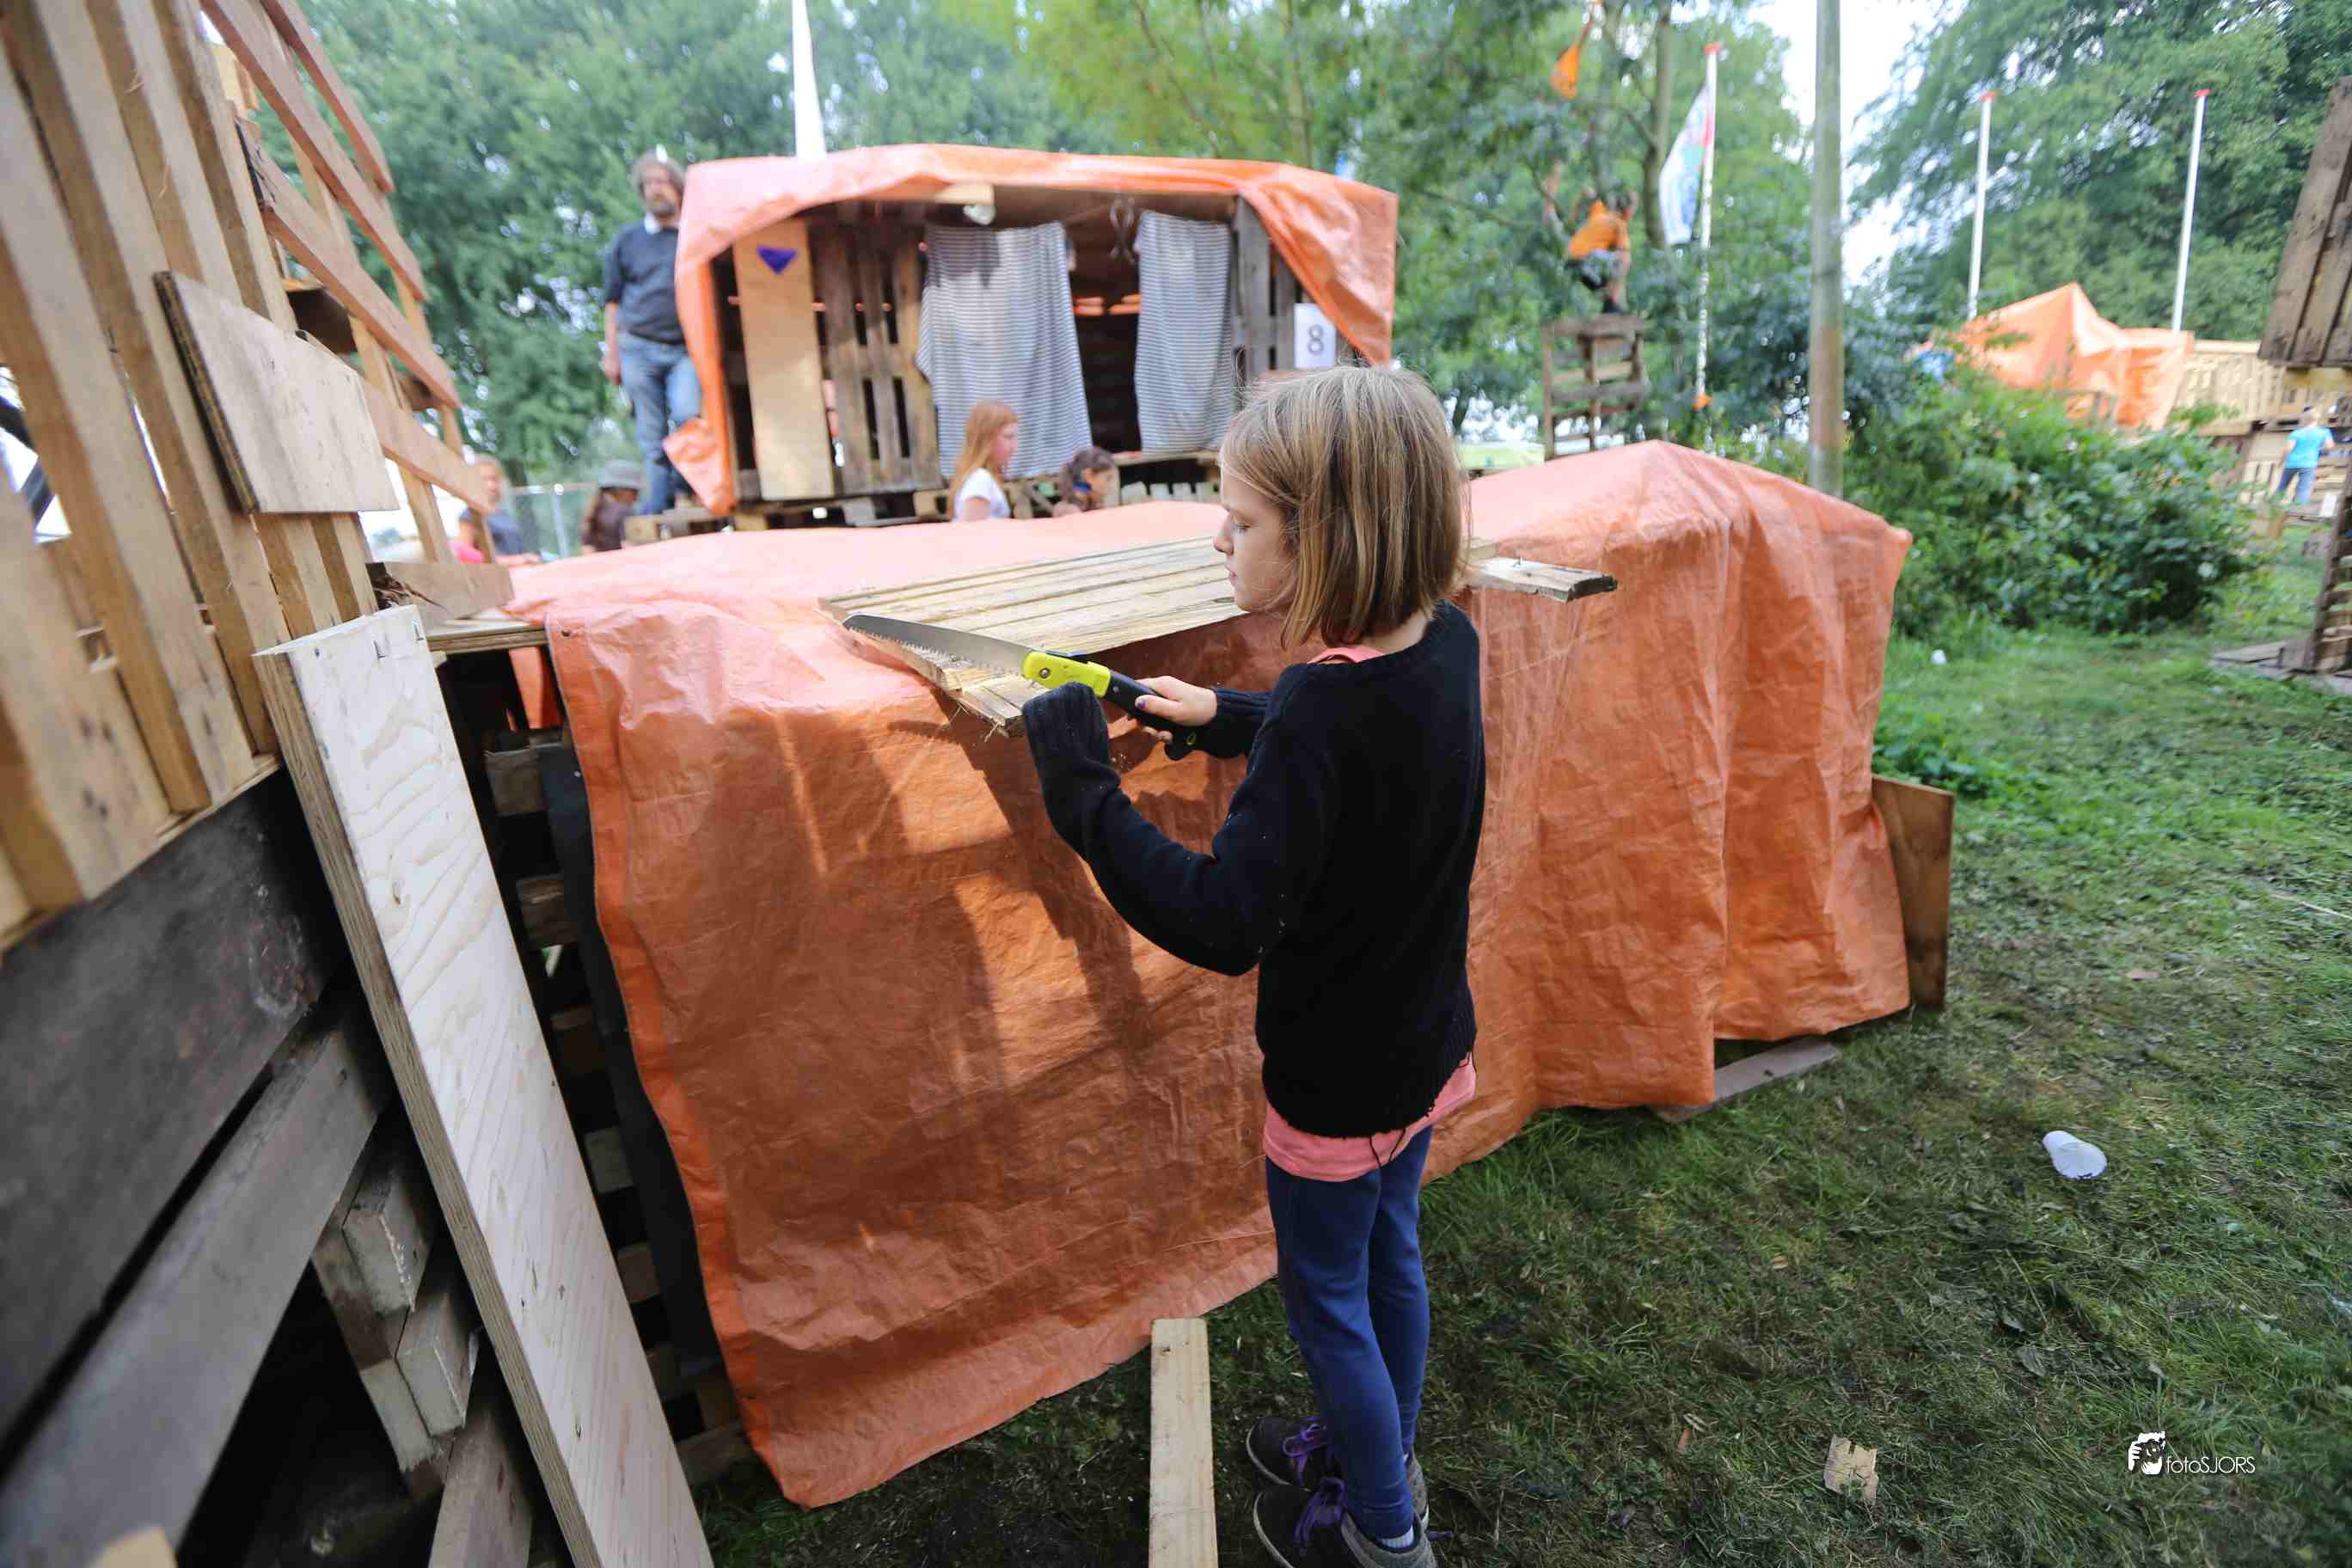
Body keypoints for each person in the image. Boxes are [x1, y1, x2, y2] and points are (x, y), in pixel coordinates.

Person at [1020, 367, 1481, 1568]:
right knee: (1390, 1255)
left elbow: (1225, 922)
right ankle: (1381, 1455)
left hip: (1335, 1086)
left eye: (1240, 521)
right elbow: (1357, 742)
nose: (1218, 539)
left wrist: (1084, 796)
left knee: (1329, 1299)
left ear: (1323, 536)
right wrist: (1226, 714)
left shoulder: (1323, 710)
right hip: (1426, 1043)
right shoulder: (1448, 641)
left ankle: (1382, 1533)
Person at [602, 151, 699, 517]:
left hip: (685, 349)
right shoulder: (627, 240)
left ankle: (688, 488)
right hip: (637, 348)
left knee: (688, 415)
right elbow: (612, 302)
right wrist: (612, 354)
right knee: (650, 433)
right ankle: (660, 502)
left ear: (678, 188)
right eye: (649, 183)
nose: (656, 189)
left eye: (663, 182)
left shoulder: (693, 236)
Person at [1544, 168, 1635, 313]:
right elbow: (1623, 254)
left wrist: (1573, 216)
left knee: (1609, 275)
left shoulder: (1599, 211)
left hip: (1570, 258)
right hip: (1585, 260)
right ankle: (1611, 304)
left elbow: (1587, 191)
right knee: (1625, 259)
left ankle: (1609, 302)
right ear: (1628, 211)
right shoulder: (1619, 225)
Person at [949, 400, 1020, 520]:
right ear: (986, 439)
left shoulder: (980, 477)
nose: (1015, 446)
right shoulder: (980, 479)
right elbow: (972, 529)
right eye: (1008, 437)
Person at [458, 458, 538, 564]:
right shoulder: (470, 515)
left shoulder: (504, 515)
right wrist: (514, 561)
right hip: (500, 572)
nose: (492, 485)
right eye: (484, 480)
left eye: (494, 479)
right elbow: (464, 556)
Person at [581, 459, 644, 553]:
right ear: (620, 489)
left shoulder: (591, 513)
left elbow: (588, 551)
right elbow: (630, 548)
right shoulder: (624, 512)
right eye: (635, 491)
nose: (636, 498)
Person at [2278, 407, 2334, 506]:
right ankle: (2298, 510)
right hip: (2309, 463)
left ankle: (2272, 506)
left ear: (2305, 419)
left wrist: (2281, 462)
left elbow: (2288, 449)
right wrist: (2318, 448)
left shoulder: (2296, 433)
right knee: (2304, 488)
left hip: (2292, 463)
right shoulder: (2324, 432)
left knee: (2282, 486)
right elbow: (2329, 446)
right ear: (2317, 419)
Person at [1050, 446, 1121, 516]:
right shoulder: (1071, 511)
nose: (1112, 488)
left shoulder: (1090, 506)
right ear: (1089, 476)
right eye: (1108, 479)